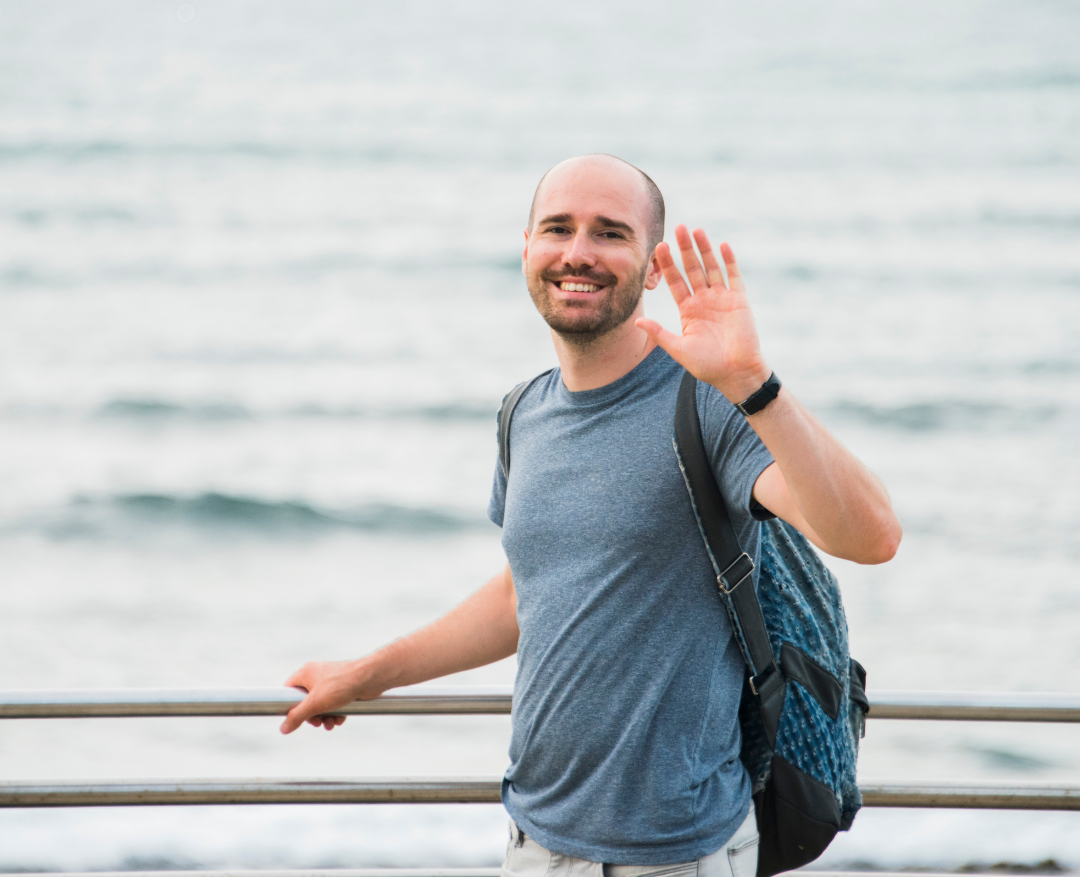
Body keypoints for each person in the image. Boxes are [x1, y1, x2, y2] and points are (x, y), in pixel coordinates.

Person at [281, 153, 901, 877]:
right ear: (527, 248)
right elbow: (524, 593)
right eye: (558, 228)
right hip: (534, 842)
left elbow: (872, 535)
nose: (578, 253)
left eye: (610, 232)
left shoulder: (707, 404)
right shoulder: (524, 412)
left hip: (683, 854)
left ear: (652, 262)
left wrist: (752, 384)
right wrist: (365, 675)